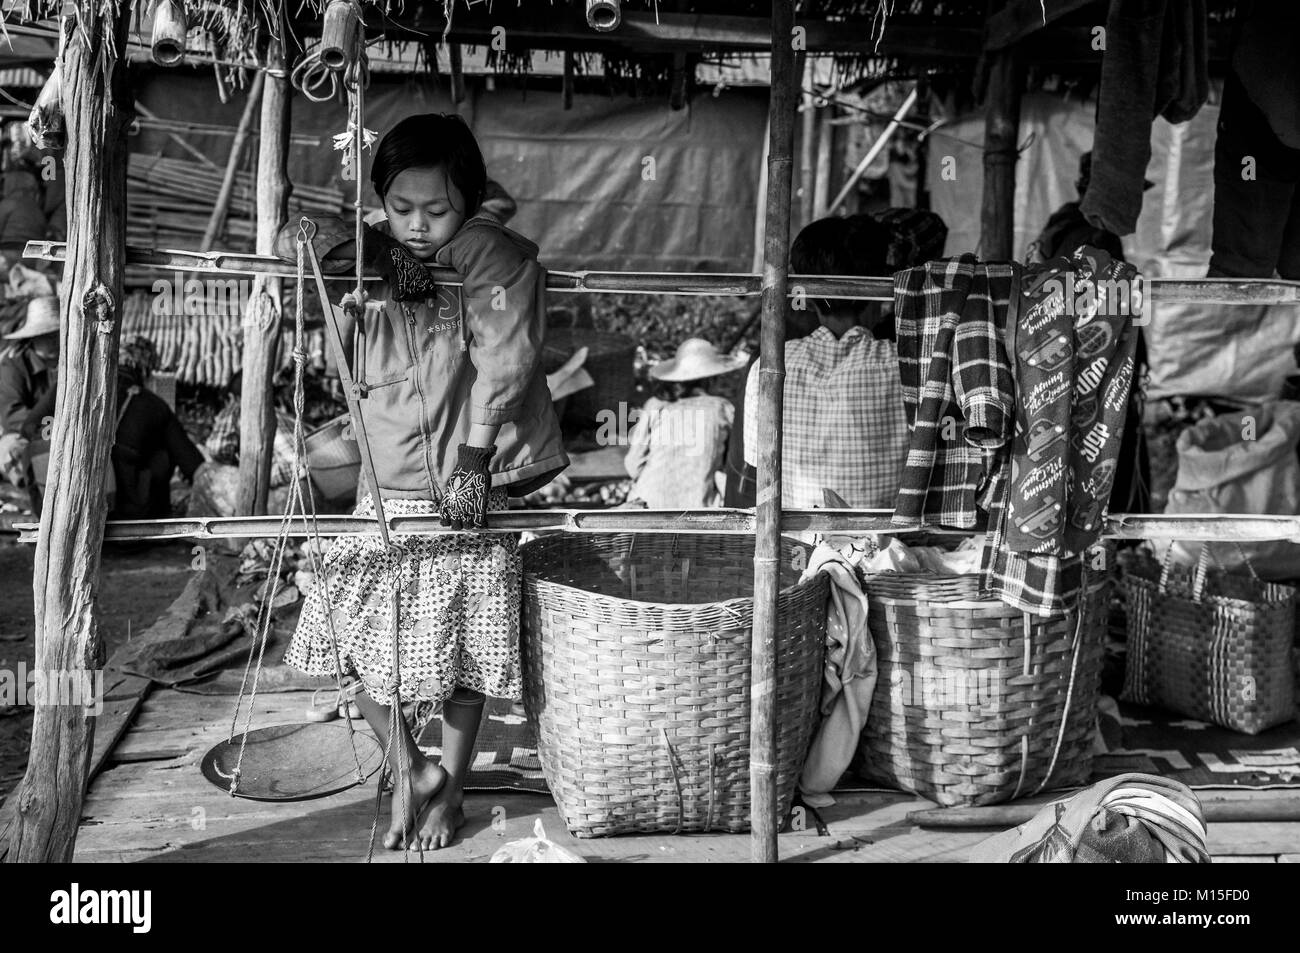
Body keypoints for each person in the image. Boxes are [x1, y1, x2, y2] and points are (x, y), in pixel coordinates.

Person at [279, 113, 567, 852]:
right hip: (387, 479)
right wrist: (367, 260)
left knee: (466, 653)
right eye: (399, 209)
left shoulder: (486, 252)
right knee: (347, 633)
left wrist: (474, 463)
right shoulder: (371, 247)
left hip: (459, 486)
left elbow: (506, 354)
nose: (416, 225)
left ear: (467, 201)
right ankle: (411, 765)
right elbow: (294, 251)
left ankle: (453, 788)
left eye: (435, 210)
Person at [741, 214, 910, 509]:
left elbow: (758, 466)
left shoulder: (769, 367)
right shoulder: (905, 367)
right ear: (878, 284)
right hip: (883, 549)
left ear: (807, 291)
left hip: (796, 546)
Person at [22, 336, 205, 519]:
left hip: (70, 507)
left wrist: (69, 442)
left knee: (33, 448)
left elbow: (30, 427)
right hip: (128, 516)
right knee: (162, 454)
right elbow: (192, 464)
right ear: (145, 369)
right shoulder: (155, 405)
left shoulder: (71, 387)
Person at [623, 337, 745, 508]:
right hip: (697, 510)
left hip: (647, 506)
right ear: (711, 379)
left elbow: (633, 465)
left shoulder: (655, 405)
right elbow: (733, 465)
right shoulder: (722, 409)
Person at [0, 295, 58, 489]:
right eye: (46, 336)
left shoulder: (72, 365)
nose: (53, 342)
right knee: (11, 450)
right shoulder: (13, 367)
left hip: (68, 434)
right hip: (25, 434)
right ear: (33, 338)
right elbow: (12, 414)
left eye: (55, 334)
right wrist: (49, 429)